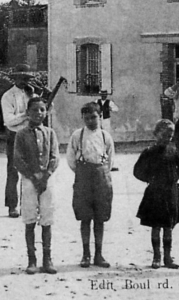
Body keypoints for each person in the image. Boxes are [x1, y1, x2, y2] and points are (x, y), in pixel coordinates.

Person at [133, 119, 179, 269]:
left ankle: (168, 257)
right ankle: (156, 256)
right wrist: (148, 178)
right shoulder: (149, 152)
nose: (168, 138)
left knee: (169, 226)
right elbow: (137, 170)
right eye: (164, 135)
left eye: (170, 135)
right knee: (156, 226)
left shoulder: (174, 151)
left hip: (171, 192)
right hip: (155, 193)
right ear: (156, 134)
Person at [14, 97, 60, 275]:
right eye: (34, 110)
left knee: (47, 217)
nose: (38, 113)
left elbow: (55, 157)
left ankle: (47, 259)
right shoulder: (21, 134)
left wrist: (46, 175)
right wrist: (33, 177)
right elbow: (18, 159)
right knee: (30, 217)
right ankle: (31, 259)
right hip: (29, 180)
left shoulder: (50, 133)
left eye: (42, 110)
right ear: (27, 113)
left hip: (47, 181)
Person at [66, 102, 115, 268]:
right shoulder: (77, 135)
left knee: (100, 218)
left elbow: (110, 158)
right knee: (85, 218)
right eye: (87, 118)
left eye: (94, 117)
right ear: (82, 119)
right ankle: (86, 254)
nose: (90, 121)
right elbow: (71, 159)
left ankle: (99, 254)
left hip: (101, 179)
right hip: (83, 180)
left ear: (100, 116)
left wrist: (100, 173)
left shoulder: (105, 136)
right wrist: (82, 173)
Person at [0, 63, 37, 218]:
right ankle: (12, 206)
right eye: (21, 78)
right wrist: (27, 114)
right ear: (15, 79)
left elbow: (43, 112)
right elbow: (9, 121)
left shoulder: (33, 95)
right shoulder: (8, 96)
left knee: (32, 170)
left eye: (26, 78)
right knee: (13, 171)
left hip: (31, 134)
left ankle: (29, 205)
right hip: (15, 136)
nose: (24, 81)